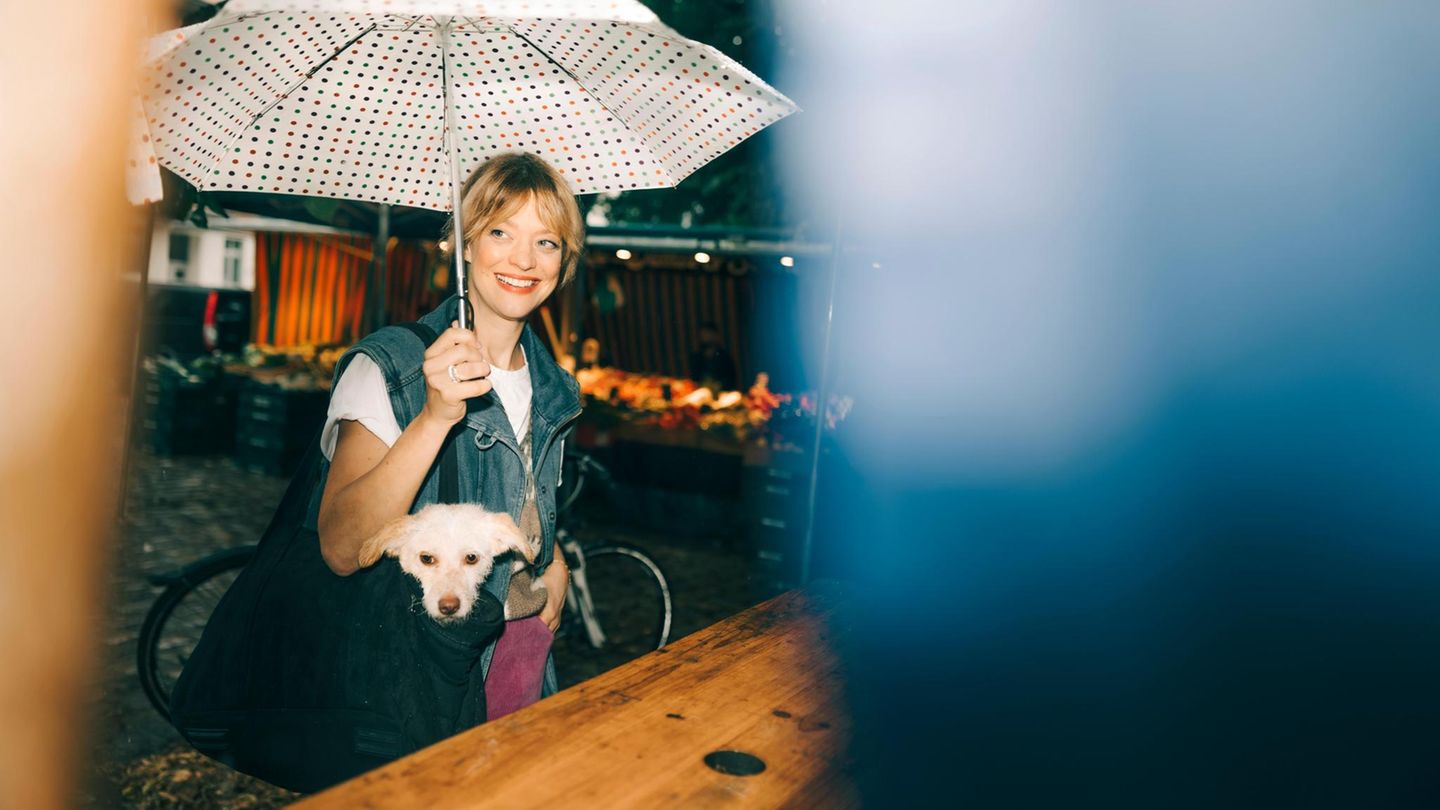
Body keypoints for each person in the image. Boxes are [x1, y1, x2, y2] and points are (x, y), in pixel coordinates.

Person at [315, 152, 584, 721]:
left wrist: (551, 559)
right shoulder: (391, 365)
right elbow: (341, 547)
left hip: (521, 653)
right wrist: (435, 417)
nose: (523, 259)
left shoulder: (557, 387)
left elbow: (525, 498)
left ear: (564, 263)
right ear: (464, 245)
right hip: (416, 667)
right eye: (500, 231)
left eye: (547, 242)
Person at [689, 320, 738, 392]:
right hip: (701, 394)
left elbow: (731, 380)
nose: (706, 336)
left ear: (716, 335)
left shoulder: (724, 357)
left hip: (722, 395)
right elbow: (693, 379)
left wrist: (719, 385)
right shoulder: (697, 357)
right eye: (704, 333)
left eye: (709, 333)